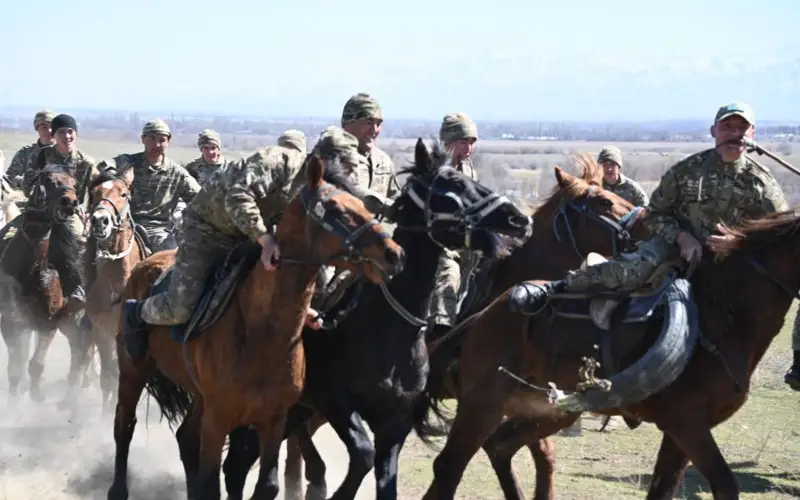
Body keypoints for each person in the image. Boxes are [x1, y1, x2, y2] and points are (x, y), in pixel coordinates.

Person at [509, 101, 788, 314]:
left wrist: (738, 242)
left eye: (741, 129)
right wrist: (682, 236)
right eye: (727, 127)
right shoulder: (686, 171)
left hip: (734, 257)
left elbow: (780, 236)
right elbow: (654, 214)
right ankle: (555, 289)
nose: (734, 134)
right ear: (714, 131)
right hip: (675, 248)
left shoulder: (762, 184)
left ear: (752, 134)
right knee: (631, 268)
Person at [120, 130, 368, 360]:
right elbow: (237, 198)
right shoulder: (279, 161)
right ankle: (137, 312)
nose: (343, 179)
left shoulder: (317, 190)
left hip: (248, 237)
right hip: (207, 230)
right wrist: (265, 240)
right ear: (323, 160)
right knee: (181, 308)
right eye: (342, 169)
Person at [28, 114, 99, 310]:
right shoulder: (42, 156)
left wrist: (88, 212)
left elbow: (95, 191)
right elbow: (27, 183)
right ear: (54, 133)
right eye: (61, 132)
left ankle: (79, 288)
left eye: (70, 131)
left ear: (76, 134)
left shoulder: (86, 162)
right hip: (39, 211)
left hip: (69, 215)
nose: (67, 136)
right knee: (10, 234)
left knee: (80, 243)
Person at [425, 112, 481, 341]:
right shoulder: (431, 169)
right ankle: (440, 332)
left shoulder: (469, 171)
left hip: (464, 244)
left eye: (471, 142)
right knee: (448, 276)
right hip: (436, 241)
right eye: (462, 142)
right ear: (447, 143)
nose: (467, 149)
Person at [111, 119, 201, 252]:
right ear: (143, 139)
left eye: (162, 140)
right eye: (152, 138)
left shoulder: (177, 173)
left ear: (168, 141)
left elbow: (201, 199)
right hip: (126, 225)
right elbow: (105, 167)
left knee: (171, 263)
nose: (156, 144)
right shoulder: (128, 162)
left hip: (159, 231)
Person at [340, 93, 399, 200]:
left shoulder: (384, 161)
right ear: (348, 124)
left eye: (378, 124)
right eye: (368, 123)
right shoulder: (333, 161)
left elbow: (395, 200)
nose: (374, 130)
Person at [5, 110, 56, 197]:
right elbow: (8, 179)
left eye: (52, 126)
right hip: (31, 203)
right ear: (37, 129)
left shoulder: (65, 152)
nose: (49, 130)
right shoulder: (26, 153)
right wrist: (27, 183)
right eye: (44, 127)